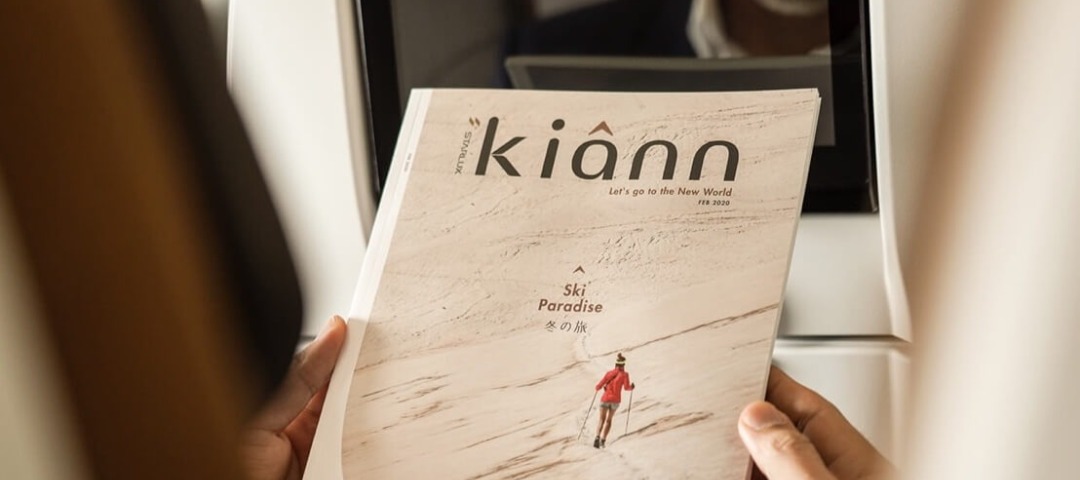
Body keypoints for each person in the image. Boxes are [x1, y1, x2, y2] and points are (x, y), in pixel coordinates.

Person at [242, 317, 891, 479]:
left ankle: (601, 443)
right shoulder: (608, 375)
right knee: (600, 421)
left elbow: (621, 385)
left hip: (610, 407)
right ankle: (600, 440)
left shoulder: (617, 376)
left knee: (604, 424)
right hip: (600, 405)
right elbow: (610, 384)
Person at [592, 353, 636, 448]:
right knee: (609, 420)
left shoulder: (609, 373)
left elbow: (599, 385)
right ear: (623, 365)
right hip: (615, 401)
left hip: (605, 398)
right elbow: (626, 387)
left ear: (615, 364)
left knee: (601, 419)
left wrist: (598, 388)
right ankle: (603, 440)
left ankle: (597, 437)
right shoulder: (625, 375)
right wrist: (631, 387)